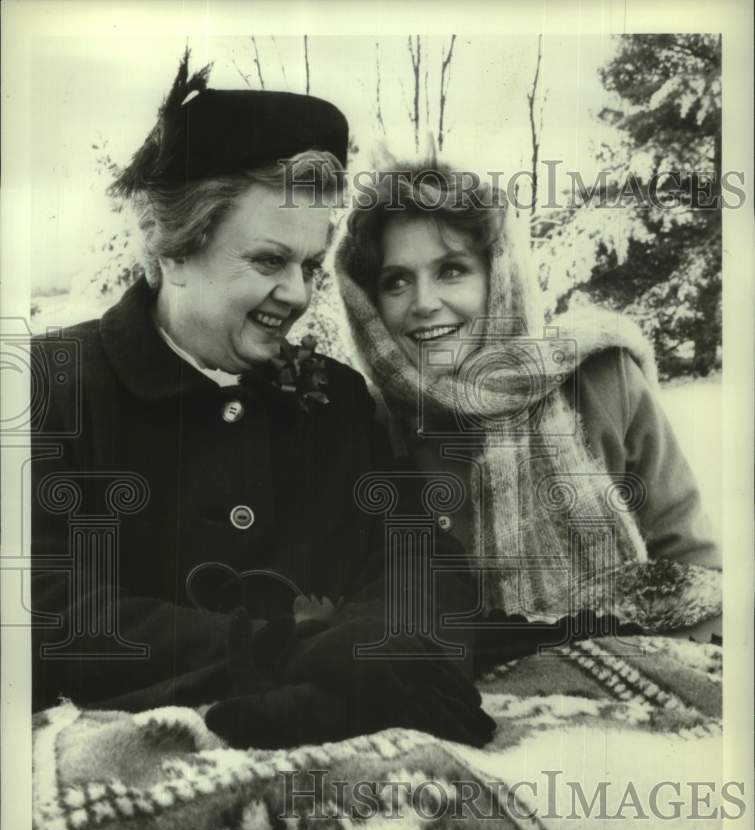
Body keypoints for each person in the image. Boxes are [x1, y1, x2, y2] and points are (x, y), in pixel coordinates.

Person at [31, 56, 495, 748]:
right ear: (173, 250)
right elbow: (38, 605)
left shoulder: (335, 402)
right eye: (269, 261)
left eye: (310, 266)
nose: (301, 295)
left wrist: (372, 648)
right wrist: (265, 649)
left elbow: (418, 560)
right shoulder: (51, 386)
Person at [335, 164, 721, 655]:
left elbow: (697, 574)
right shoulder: (369, 425)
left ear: (498, 279)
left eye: (451, 270)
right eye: (396, 282)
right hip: (461, 703)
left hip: (637, 685)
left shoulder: (599, 379)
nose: (424, 302)